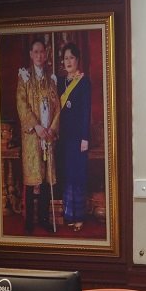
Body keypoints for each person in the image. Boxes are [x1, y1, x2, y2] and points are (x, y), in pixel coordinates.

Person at [16, 37, 60, 234]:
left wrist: (51, 128)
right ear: (31, 54)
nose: (39, 55)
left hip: (48, 135)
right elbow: (22, 105)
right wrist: (37, 126)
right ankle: (29, 220)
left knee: (45, 178)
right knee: (32, 178)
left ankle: (43, 218)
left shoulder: (51, 79)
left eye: (42, 52)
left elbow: (57, 107)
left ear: (46, 54)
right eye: (36, 52)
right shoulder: (24, 77)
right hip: (33, 136)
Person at [57, 43, 91, 232]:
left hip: (78, 138)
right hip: (64, 137)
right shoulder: (60, 81)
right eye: (66, 58)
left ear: (77, 60)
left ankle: (79, 216)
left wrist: (85, 137)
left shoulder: (84, 82)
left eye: (71, 57)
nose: (68, 61)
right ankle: (69, 214)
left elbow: (86, 111)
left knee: (77, 175)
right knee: (67, 175)